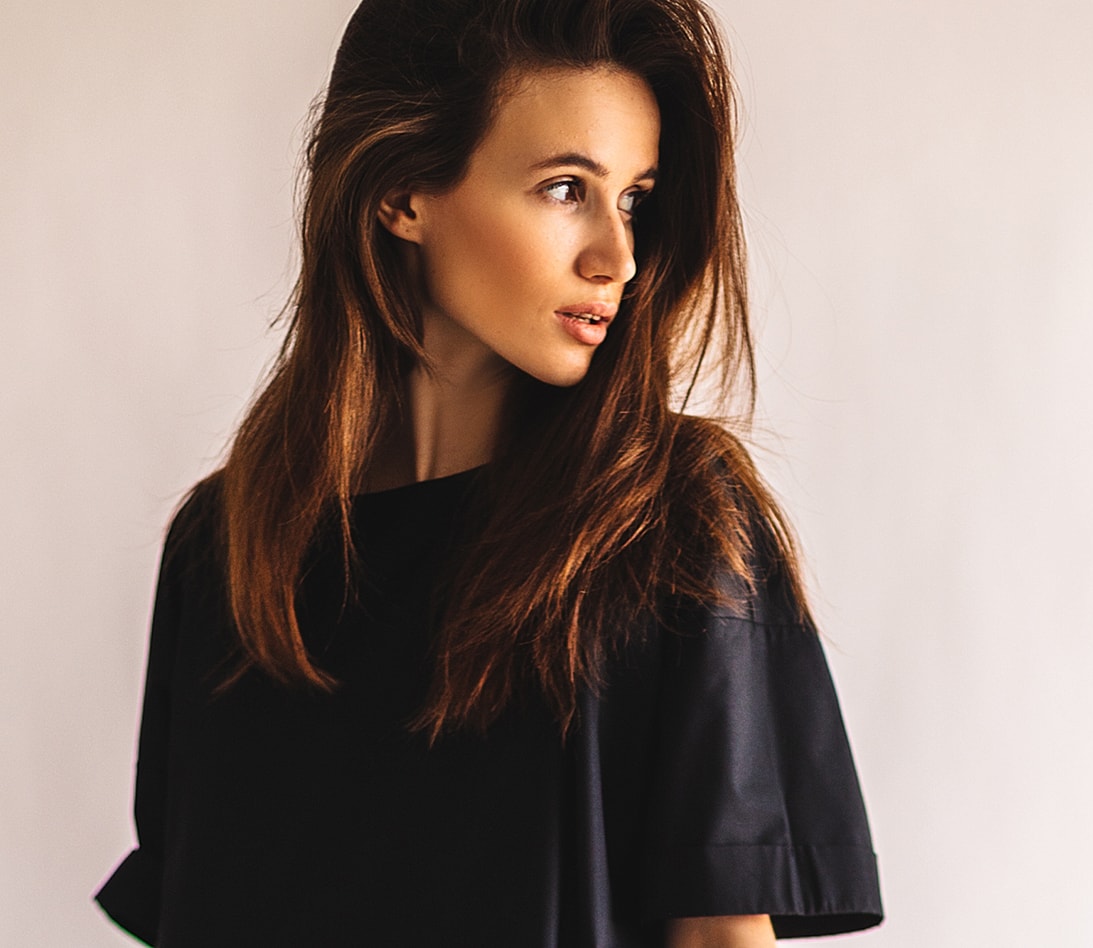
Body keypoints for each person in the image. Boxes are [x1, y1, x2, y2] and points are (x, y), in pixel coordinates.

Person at [93, 0, 881, 945]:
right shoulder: (227, 547)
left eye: (633, 197)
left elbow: (720, 934)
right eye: (564, 188)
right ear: (404, 195)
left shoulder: (670, 517)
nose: (618, 256)